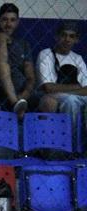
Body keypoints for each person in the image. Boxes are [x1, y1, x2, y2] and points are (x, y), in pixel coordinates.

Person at [36, 21, 87, 152]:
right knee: (71, 101)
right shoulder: (46, 54)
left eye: (71, 36)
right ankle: (70, 147)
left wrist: (65, 89)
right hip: (53, 96)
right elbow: (48, 87)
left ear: (76, 40)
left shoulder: (78, 59)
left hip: (77, 96)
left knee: (72, 99)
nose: (67, 39)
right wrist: (77, 87)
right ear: (57, 37)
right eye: (64, 35)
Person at [0, 3, 35, 115]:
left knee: (48, 101)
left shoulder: (23, 44)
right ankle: (15, 104)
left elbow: (30, 77)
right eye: (5, 20)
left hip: (23, 92)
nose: (8, 24)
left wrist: (24, 94)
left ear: (17, 22)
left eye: (12, 20)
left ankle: (17, 105)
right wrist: (2, 39)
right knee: (3, 67)